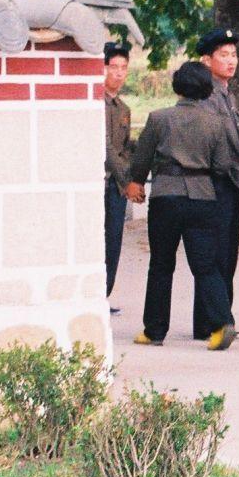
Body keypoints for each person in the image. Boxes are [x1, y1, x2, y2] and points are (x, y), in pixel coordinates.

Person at [127, 60, 239, 350]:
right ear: (206, 89)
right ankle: (222, 323)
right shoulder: (215, 123)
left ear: (177, 86)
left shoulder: (158, 118)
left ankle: (154, 330)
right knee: (206, 265)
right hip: (202, 198)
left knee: (161, 264)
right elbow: (222, 165)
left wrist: (136, 182)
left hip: (166, 196)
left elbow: (142, 158)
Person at [194, 26, 239, 313]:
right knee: (214, 253)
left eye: (234, 55)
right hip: (215, 181)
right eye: (224, 55)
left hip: (232, 181)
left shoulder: (228, 94)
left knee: (227, 252)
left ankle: (222, 313)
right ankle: (211, 318)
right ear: (207, 60)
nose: (231, 60)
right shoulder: (207, 97)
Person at [102, 40, 136, 305]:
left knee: (114, 241)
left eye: (123, 68)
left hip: (116, 186)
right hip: (100, 182)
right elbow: (105, 148)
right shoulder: (93, 102)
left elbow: (125, 148)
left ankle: (105, 293)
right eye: (113, 67)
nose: (118, 73)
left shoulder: (123, 109)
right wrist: (129, 176)